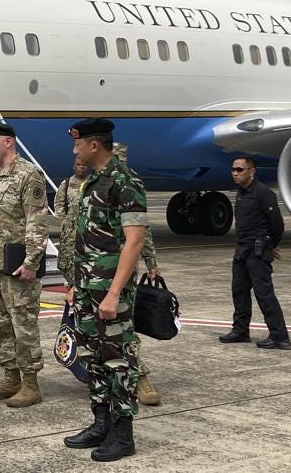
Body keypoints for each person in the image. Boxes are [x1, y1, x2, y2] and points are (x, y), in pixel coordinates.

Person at [63, 118, 147, 462]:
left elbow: (135, 241)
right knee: (92, 357)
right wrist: (76, 285)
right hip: (86, 288)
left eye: (78, 144)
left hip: (109, 290)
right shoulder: (92, 182)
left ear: (94, 146)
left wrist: (114, 293)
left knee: (117, 359)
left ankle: (123, 434)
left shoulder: (125, 182)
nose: (75, 150)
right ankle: (101, 423)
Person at [0, 122, 49, 408]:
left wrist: (32, 261)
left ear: (8, 142)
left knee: (23, 322)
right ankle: (10, 376)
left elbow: (37, 222)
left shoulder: (29, 175)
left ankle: (31, 383)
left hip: (18, 266)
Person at [219, 156, 291, 349]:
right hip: (242, 249)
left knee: (264, 294)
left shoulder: (263, 193)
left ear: (252, 171)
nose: (235, 173)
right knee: (239, 291)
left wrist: (271, 245)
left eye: (240, 170)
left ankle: (280, 337)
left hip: (258, 251)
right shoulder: (241, 193)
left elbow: (277, 223)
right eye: (233, 169)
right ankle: (241, 330)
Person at [112, 143, 161, 406]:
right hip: (89, 269)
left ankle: (140, 377)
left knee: (125, 327)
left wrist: (151, 261)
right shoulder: (77, 186)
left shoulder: (128, 184)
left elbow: (142, 231)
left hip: (122, 267)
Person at [55, 160, 87, 285]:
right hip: (70, 232)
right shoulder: (67, 184)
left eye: (84, 165)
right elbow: (59, 204)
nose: (82, 168)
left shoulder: (91, 183)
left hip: (86, 230)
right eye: (79, 165)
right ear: (74, 167)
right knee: (68, 261)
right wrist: (65, 222)